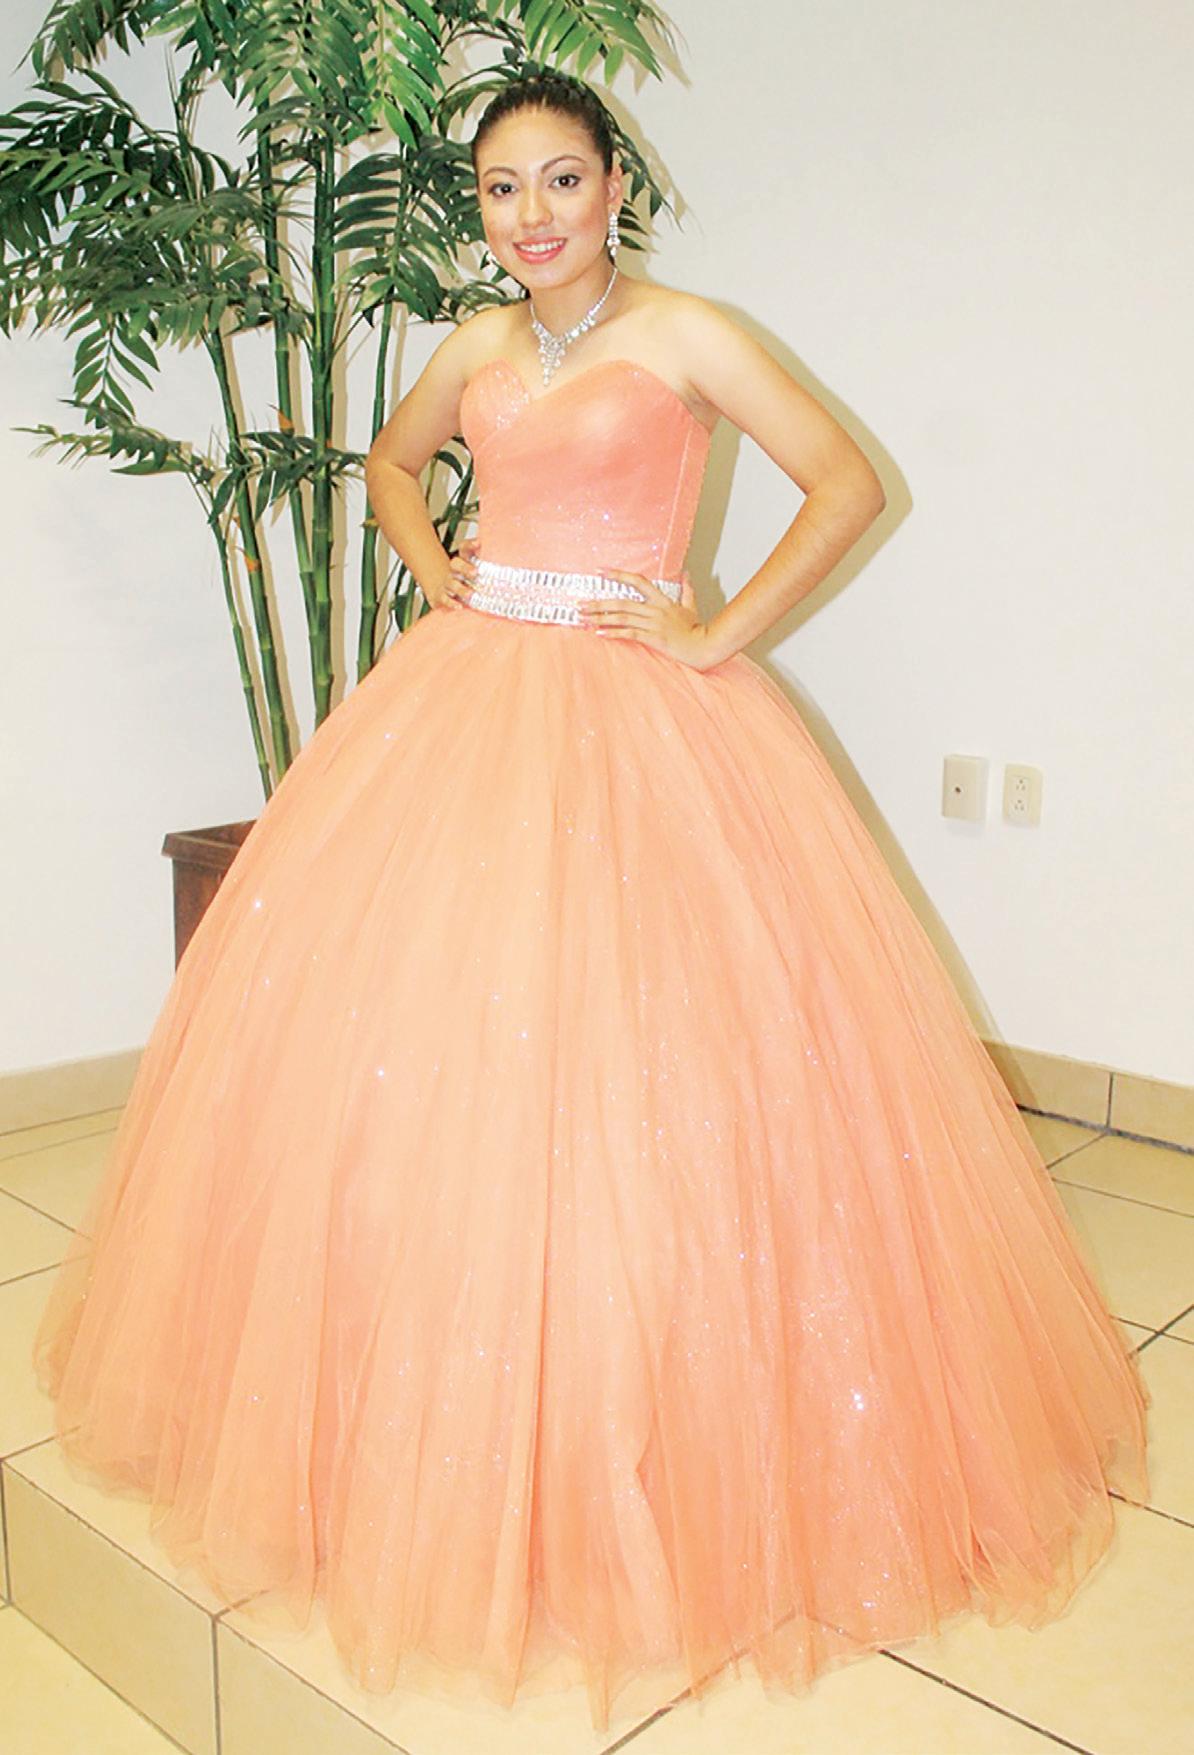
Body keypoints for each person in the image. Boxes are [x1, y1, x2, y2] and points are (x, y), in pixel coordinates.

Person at [34, 69, 1150, 1736]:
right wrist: (435, 565)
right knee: (440, 1050)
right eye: (501, 189)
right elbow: (389, 463)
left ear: (616, 183)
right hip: (471, 700)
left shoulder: (689, 334)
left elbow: (844, 480)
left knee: (660, 1066)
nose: (532, 214)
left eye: (561, 179)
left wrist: (712, 633)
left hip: (646, 722)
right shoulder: (479, 343)